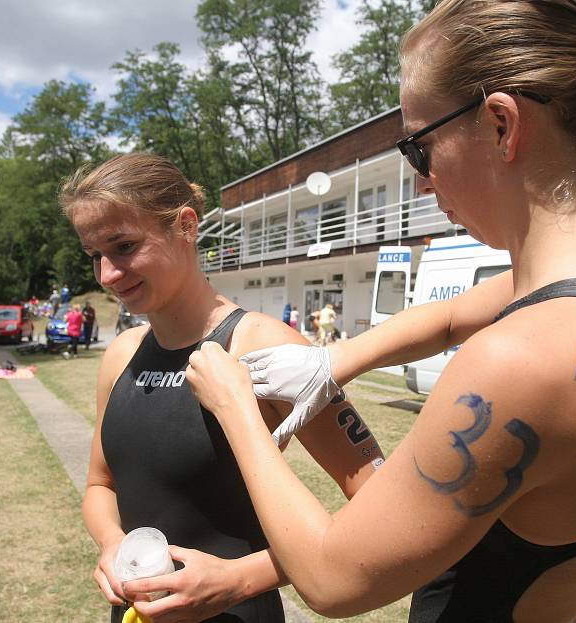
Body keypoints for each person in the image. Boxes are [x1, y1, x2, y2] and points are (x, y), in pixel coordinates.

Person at [185, 1, 576, 621]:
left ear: (500, 124)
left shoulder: (527, 359)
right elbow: (454, 316)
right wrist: (335, 360)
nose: (421, 185)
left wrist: (235, 409)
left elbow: (333, 579)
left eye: (420, 148)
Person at [59, 153, 383, 623]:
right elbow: (100, 484)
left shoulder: (263, 345)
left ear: (185, 226)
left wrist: (240, 578)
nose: (107, 274)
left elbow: (379, 503)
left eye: (124, 246)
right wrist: (113, 544)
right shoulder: (122, 354)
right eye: (95, 256)